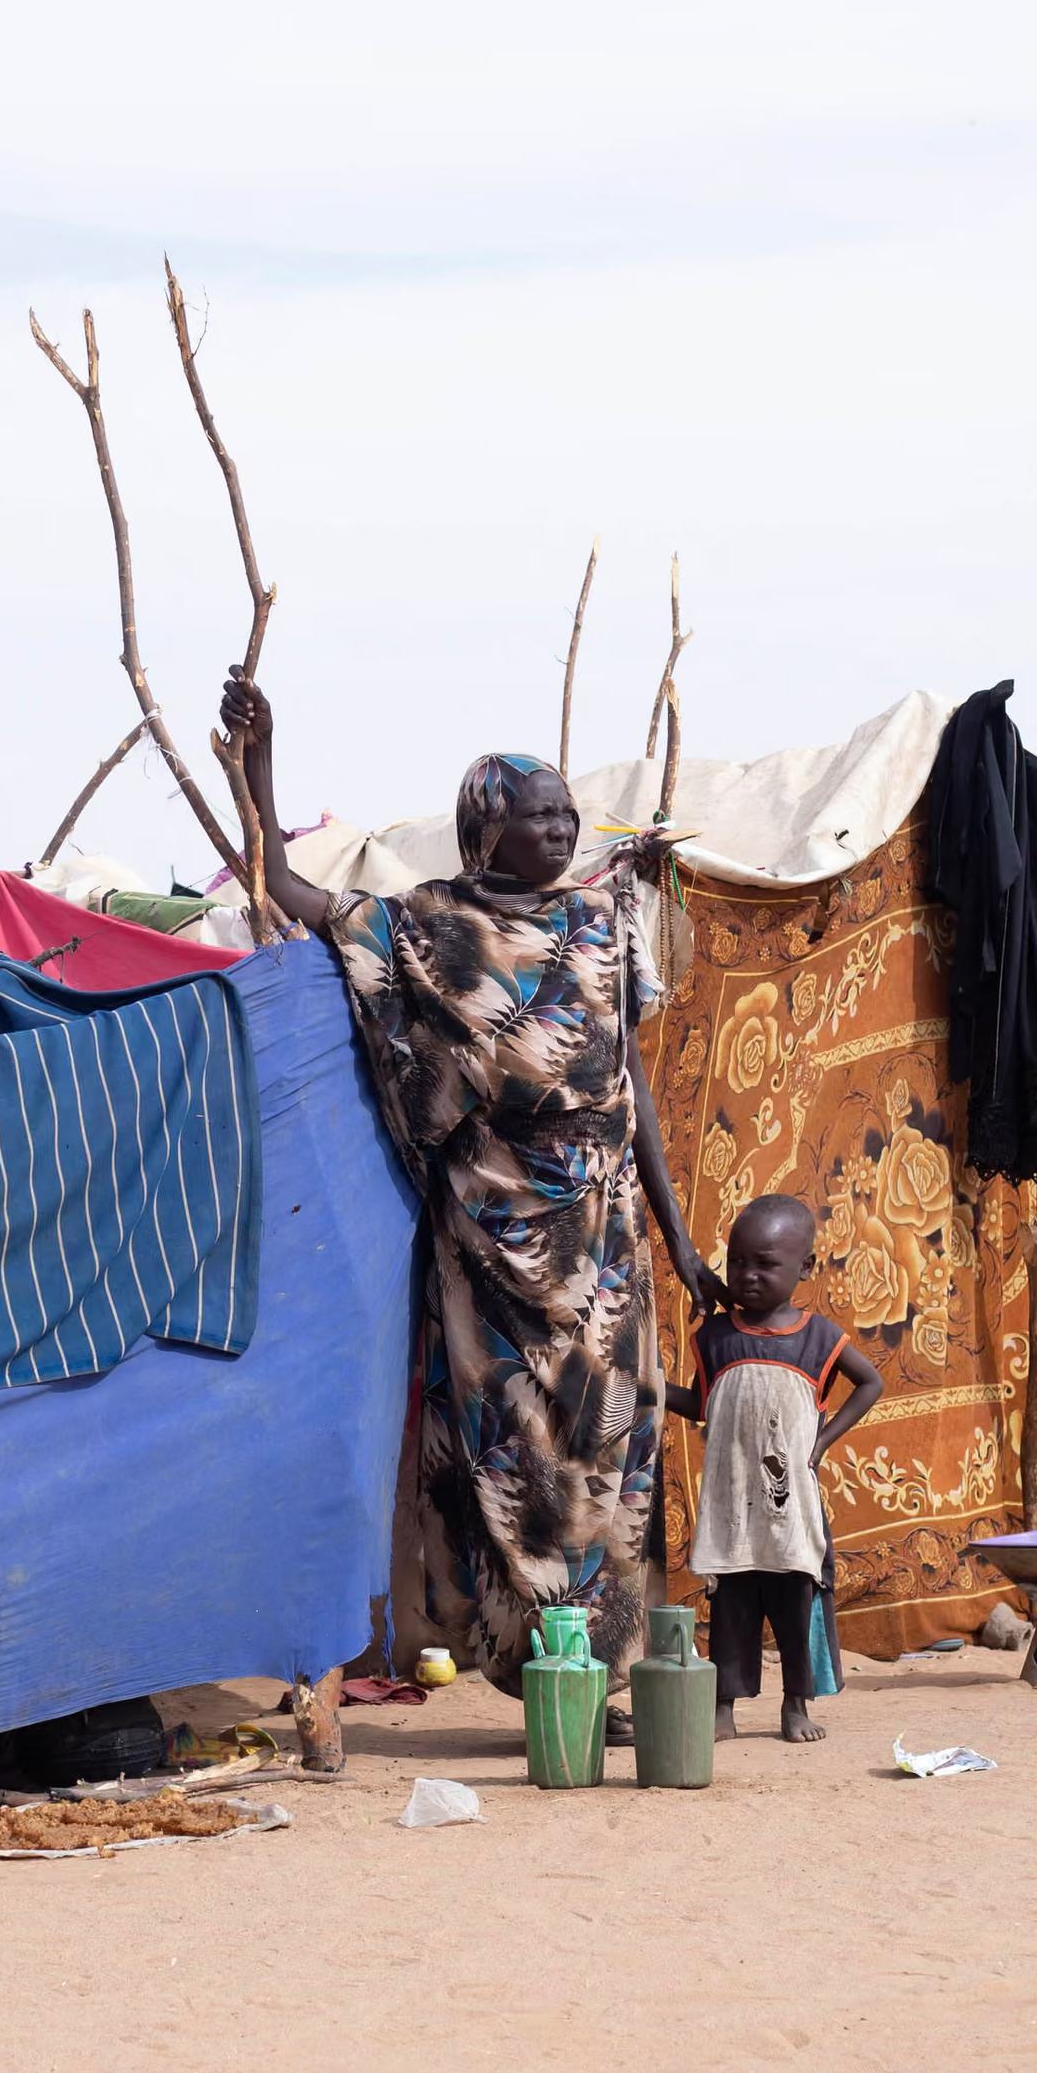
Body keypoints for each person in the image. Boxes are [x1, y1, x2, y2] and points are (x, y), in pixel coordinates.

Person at [221, 666, 724, 1701]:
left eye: (565, 815)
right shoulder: (423, 927)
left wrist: (674, 1238)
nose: (559, 830)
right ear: (481, 830)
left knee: (613, 1448)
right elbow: (280, 885)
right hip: (491, 1234)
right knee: (516, 1454)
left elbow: (627, 1083)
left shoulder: (601, 923)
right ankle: (542, 1672)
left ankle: (608, 1677)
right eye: (536, 817)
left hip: (607, 1237)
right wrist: (258, 761)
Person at [664, 1193, 881, 1743]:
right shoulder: (714, 1339)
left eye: (765, 1264)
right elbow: (700, 1405)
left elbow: (871, 1382)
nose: (748, 1275)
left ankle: (796, 1705)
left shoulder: (819, 1339)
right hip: (734, 1505)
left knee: (794, 1610)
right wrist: (652, 1386)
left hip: (789, 1510)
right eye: (737, 1262)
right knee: (731, 1611)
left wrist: (824, 1441)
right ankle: (723, 1709)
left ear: (805, 1268)